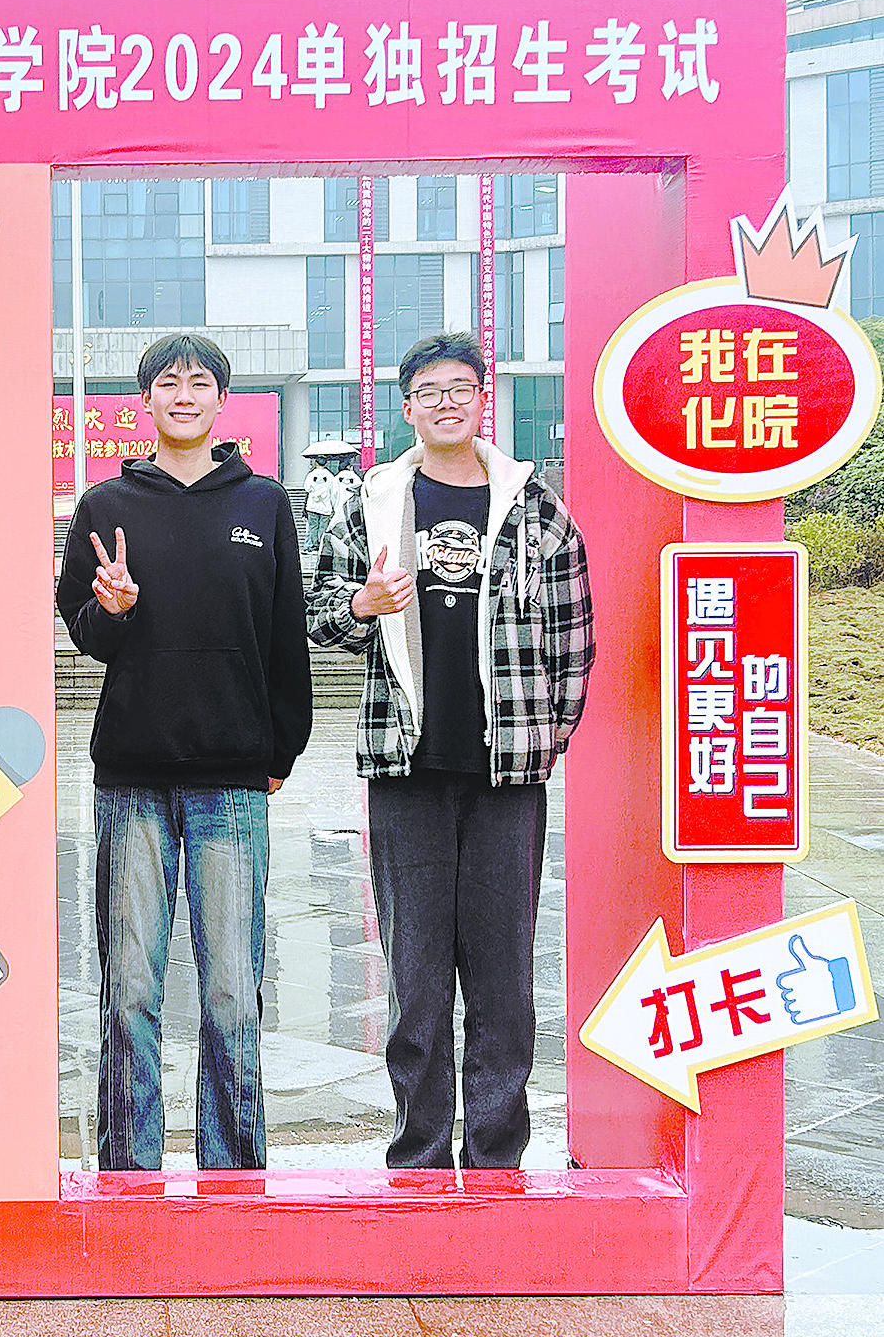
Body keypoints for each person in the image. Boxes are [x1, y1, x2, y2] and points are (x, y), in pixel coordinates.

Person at [307, 332, 594, 1170]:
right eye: (428, 391)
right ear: (406, 407)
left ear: (481, 399)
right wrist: (360, 604)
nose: (445, 402)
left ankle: (497, 1153)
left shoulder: (533, 505)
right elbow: (318, 614)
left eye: (459, 388)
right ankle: (421, 1153)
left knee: (503, 979)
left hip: (507, 775)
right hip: (406, 770)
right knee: (416, 976)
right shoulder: (372, 501)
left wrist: (543, 737)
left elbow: (574, 635)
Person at [57, 332, 313, 1171]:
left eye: (200, 382)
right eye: (167, 382)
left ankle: (233, 1175)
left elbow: (284, 635)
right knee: (129, 989)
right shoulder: (105, 505)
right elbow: (85, 633)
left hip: (231, 782)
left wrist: (279, 748)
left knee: (232, 993)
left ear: (220, 400)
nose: (183, 395)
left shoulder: (262, 503)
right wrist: (114, 609)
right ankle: (128, 1172)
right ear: (145, 400)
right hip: (131, 776)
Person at [301, 458, 339, 552]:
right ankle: (321, 544)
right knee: (323, 527)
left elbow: (306, 488)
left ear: (316, 463)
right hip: (326, 507)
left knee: (313, 527)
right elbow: (334, 492)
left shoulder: (310, 475)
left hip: (312, 506)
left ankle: (314, 545)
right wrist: (333, 505)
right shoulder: (330, 476)